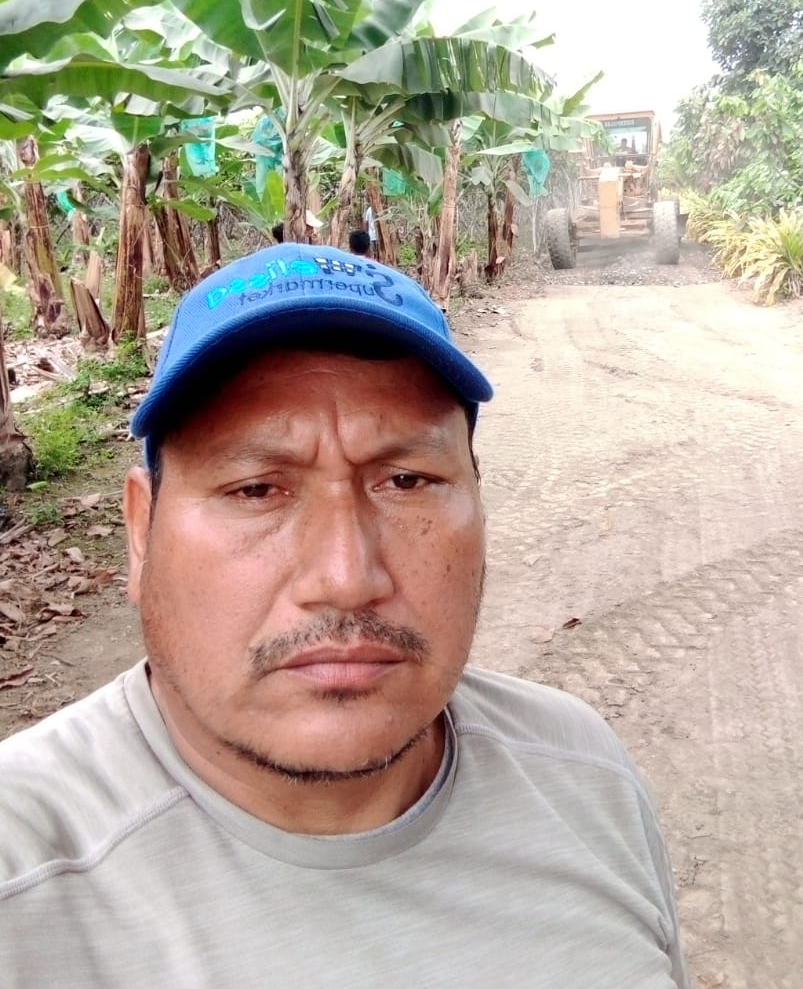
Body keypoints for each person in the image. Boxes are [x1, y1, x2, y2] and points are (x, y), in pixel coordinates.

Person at [0, 244, 689, 988]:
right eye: (256, 489)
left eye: (406, 481)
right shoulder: (23, 878)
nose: (346, 579)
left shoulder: (584, 775)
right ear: (142, 533)